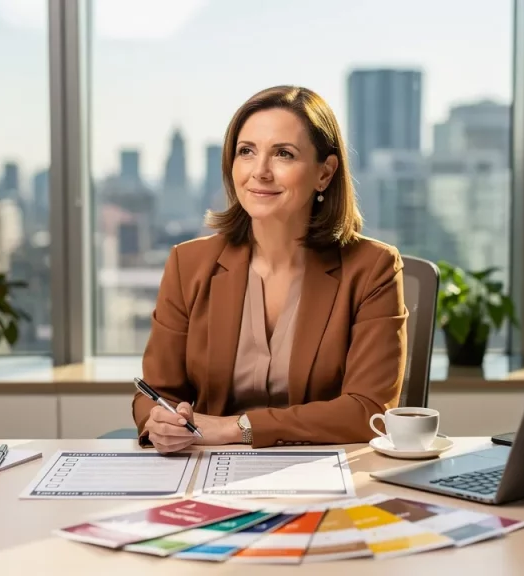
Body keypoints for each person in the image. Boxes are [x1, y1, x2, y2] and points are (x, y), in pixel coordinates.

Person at [133, 85, 408, 453]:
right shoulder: (189, 264)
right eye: (246, 152)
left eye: (283, 154)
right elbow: (156, 393)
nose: (259, 172)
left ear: (324, 173)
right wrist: (160, 421)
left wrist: (238, 428)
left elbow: (368, 411)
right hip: (205, 470)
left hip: (325, 471)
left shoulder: (373, 269)